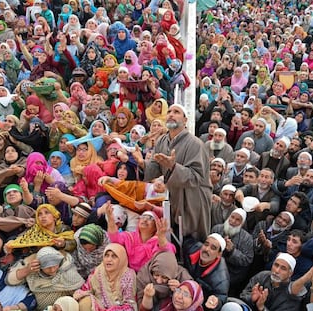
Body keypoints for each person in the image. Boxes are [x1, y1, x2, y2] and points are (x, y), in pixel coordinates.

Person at [134, 104, 212, 241]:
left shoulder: (195, 144)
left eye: (176, 112)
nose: (171, 114)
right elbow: (156, 166)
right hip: (174, 195)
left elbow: (196, 177)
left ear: (185, 120)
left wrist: (173, 167)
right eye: (169, 111)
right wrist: (142, 163)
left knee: (193, 241)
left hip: (193, 197)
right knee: (175, 235)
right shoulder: (162, 141)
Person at [6, 246, 84, 311]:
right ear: (40, 267)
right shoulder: (33, 274)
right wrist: (27, 270)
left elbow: (80, 293)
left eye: (54, 266)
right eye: (48, 267)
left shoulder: (69, 273)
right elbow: (9, 281)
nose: (52, 270)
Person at [106, 204, 176, 272]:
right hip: (129, 274)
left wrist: (161, 236)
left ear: (156, 226)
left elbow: (168, 253)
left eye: (150, 218)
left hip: (151, 276)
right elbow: (115, 238)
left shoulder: (158, 241)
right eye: (143, 217)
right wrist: (111, 220)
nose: (145, 220)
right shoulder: (130, 237)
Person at [73, 243, 137, 310]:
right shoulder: (99, 271)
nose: (109, 259)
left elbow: (130, 305)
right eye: (106, 255)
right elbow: (85, 289)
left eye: (114, 256)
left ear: (121, 259)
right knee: (85, 301)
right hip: (99, 308)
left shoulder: (128, 275)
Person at [211, 209, 254, 296]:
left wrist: (232, 251)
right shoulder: (217, 229)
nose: (233, 221)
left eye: (238, 220)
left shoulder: (247, 238)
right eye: (232, 217)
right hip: (212, 271)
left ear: (242, 223)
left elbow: (247, 260)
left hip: (232, 277)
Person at [183, 233, 230, 310]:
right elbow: (185, 241)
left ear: (219, 254)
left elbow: (221, 297)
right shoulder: (193, 249)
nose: (207, 249)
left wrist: (216, 303)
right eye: (206, 244)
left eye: (213, 248)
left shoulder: (221, 278)